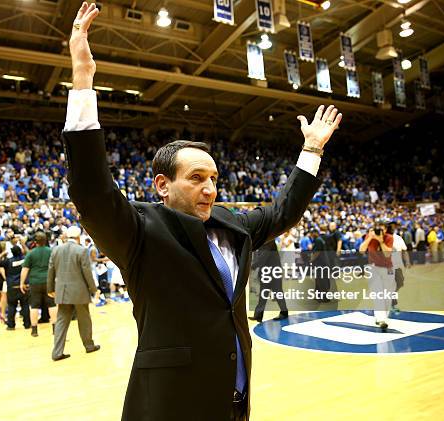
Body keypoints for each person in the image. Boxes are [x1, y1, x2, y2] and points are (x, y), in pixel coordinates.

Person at [63, 4, 341, 420]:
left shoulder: (233, 223)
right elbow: (92, 191)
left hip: (233, 402)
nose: (209, 188)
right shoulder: (140, 232)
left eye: (213, 178)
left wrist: (312, 150)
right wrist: (83, 80)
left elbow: (284, 211)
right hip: (173, 406)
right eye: (196, 178)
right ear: (163, 185)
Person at [47, 226, 100, 361]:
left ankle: (57, 352)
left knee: (61, 322)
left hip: (62, 291)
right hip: (79, 292)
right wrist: (94, 290)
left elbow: (51, 271)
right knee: (84, 320)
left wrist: (50, 289)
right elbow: (87, 273)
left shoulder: (56, 250)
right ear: (78, 237)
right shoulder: (82, 251)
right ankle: (89, 345)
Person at [359, 221, 395, 331]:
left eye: (383, 230)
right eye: (379, 229)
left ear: (386, 230)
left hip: (387, 268)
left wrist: (381, 241)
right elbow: (361, 250)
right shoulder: (369, 236)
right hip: (373, 268)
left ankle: (381, 317)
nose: (381, 232)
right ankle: (381, 319)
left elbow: (387, 253)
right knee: (377, 293)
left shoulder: (389, 238)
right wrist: (370, 238)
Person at [20, 232, 55, 337]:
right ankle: (55, 329)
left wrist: (22, 283)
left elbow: (25, 269)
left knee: (34, 306)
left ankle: (34, 330)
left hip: (34, 282)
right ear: (46, 241)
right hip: (48, 281)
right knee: (52, 305)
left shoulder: (31, 253)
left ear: (35, 242)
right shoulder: (51, 251)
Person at [248, 240, 288, 323]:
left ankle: (284, 312)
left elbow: (263, 256)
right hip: (266, 272)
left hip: (274, 272)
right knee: (263, 294)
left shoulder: (269, 241)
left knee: (277, 292)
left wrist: (252, 266)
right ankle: (258, 315)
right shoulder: (264, 241)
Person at [0, 245, 30, 330]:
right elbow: (28, 253)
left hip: (12, 286)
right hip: (23, 285)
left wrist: (1, 255)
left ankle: (11, 325)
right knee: (25, 305)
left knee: (12, 306)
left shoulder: (8, 261)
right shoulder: (25, 259)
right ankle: (27, 324)